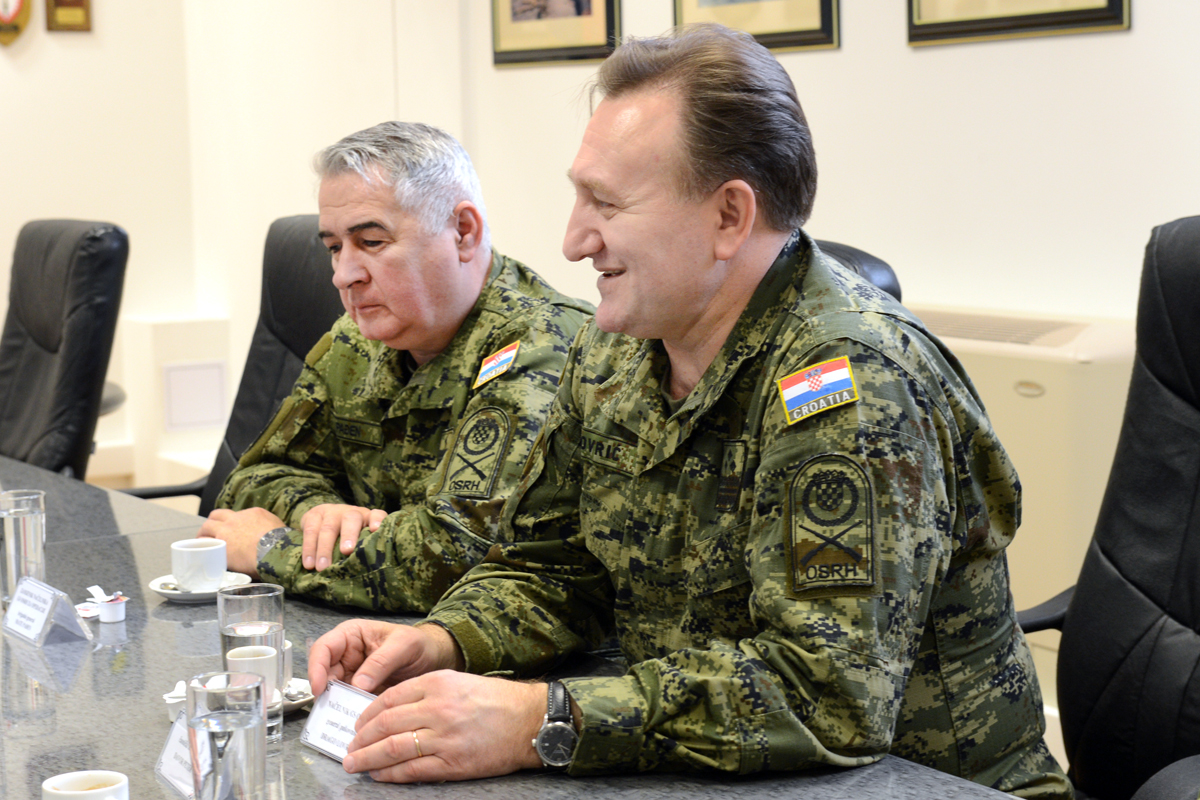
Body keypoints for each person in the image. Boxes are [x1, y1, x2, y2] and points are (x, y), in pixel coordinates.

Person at [307, 25, 1072, 798]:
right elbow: (556, 566)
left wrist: (545, 719)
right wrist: (446, 639)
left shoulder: (849, 382)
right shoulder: (615, 350)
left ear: (729, 217)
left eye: (606, 202)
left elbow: (825, 695)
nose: (573, 241)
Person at [198, 121, 592, 612]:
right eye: (334, 248)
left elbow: (452, 554)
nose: (343, 275)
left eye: (371, 242)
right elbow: (251, 480)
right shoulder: (356, 339)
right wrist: (321, 514)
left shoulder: (542, 345)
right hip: (367, 626)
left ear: (463, 232)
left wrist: (272, 551)